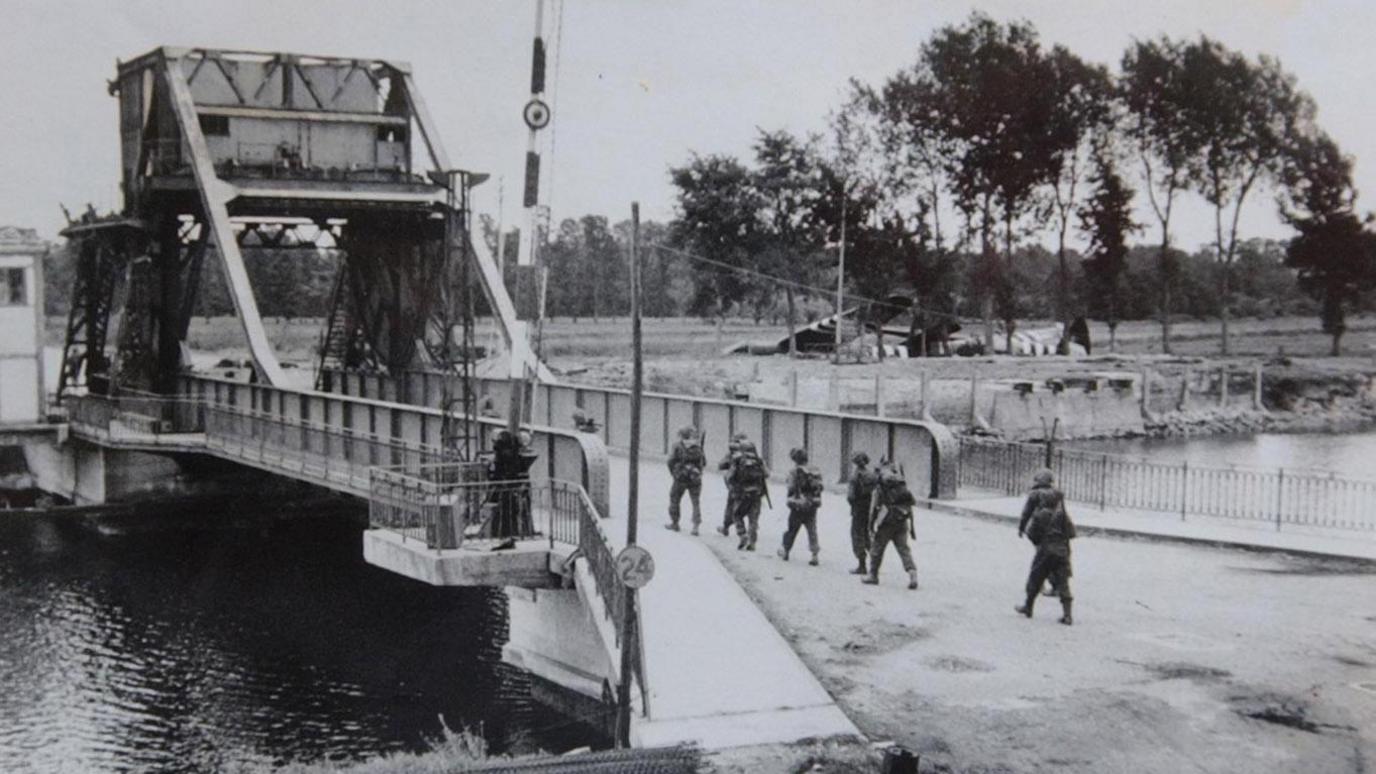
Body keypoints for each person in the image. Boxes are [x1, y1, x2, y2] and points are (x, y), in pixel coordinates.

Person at [1016, 468, 1077, 625]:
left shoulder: (1039, 511)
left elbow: (1030, 527)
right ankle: (1068, 615)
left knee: (1035, 577)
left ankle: (1028, 607)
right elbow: (1069, 530)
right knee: (1064, 581)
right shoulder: (1060, 508)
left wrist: (1022, 529)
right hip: (1062, 548)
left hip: (1045, 549)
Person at [862, 461, 919, 590]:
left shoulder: (880, 487)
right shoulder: (901, 484)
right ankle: (912, 573)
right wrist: (912, 528)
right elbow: (909, 505)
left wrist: (871, 526)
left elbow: (873, 509)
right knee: (904, 549)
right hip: (902, 519)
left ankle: (873, 575)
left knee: (877, 549)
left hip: (887, 522)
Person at [778, 448, 823, 565]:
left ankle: (786, 550)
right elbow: (820, 487)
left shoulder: (794, 471)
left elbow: (791, 487)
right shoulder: (815, 470)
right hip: (812, 504)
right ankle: (815, 554)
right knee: (812, 530)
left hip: (798, 504)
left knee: (792, 529)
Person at [727, 439, 769, 551]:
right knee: (753, 519)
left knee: (737, 515)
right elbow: (766, 474)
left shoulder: (738, 459)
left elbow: (730, 476)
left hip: (741, 493)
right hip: (756, 494)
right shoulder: (759, 460)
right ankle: (752, 542)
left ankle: (742, 534)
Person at [665, 425, 706, 534]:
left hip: (681, 478)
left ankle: (675, 523)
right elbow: (704, 462)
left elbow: (670, 461)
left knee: (674, 499)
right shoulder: (698, 447)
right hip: (695, 478)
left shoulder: (677, 446)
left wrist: (674, 473)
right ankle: (696, 526)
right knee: (695, 502)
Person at [845, 452, 880, 575]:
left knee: (857, 535)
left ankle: (862, 565)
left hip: (858, 508)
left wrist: (853, 504)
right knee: (867, 534)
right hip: (869, 508)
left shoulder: (855, 477)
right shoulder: (872, 475)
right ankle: (875, 563)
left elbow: (850, 496)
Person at [715, 433, 748, 537]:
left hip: (736, 485)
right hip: (752, 486)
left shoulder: (732, 454)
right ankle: (752, 529)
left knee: (731, 506)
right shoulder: (751, 452)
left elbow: (720, 465)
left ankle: (726, 527)